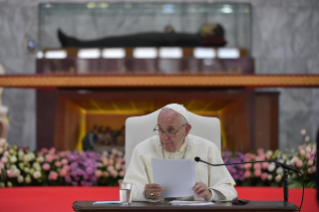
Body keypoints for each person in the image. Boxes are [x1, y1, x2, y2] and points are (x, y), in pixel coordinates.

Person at [123, 103, 237, 202]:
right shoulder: (142, 149)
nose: (164, 137)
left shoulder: (207, 149)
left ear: (186, 130)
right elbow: (128, 190)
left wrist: (211, 193)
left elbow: (229, 191)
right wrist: (144, 193)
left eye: (170, 130)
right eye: (160, 130)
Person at [57, 24, 227, 48]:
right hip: (156, 39)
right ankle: (74, 43)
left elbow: (175, 41)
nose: (205, 24)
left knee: (113, 42)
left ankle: (73, 44)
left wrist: (170, 35)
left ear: (212, 32)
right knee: (112, 41)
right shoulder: (196, 37)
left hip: (154, 41)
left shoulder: (197, 39)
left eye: (210, 25)